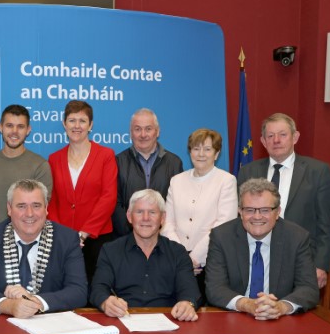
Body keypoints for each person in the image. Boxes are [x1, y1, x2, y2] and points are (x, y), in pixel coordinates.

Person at [237, 113, 330, 289]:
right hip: (257, 260)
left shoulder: (318, 171)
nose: (276, 140)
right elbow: (242, 217)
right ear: (263, 141)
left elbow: (326, 224)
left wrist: (321, 265)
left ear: (295, 137)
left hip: (302, 260)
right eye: (270, 136)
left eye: (282, 134)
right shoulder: (248, 172)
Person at [205, 178, 318, 319]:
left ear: (277, 212)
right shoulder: (222, 236)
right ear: (240, 211)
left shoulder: (297, 238)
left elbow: (308, 289)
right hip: (235, 316)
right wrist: (247, 304)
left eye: (265, 210)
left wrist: (281, 307)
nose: (257, 217)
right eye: (250, 210)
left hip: (279, 319)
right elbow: (214, 288)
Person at [0, 179, 88, 318]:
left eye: (36, 206)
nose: (29, 213)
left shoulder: (67, 239)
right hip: (3, 324)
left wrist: (34, 302)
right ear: (9, 209)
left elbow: (79, 292)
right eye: (21, 206)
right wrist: (8, 306)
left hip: (51, 323)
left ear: (46, 208)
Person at [91, 190, 199, 321]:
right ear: (130, 216)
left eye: (152, 212)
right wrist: (105, 301)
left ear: (163, 218)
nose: (146, 218)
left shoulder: (178, 252)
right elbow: (97, 288)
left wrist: (188, 303)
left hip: (170, 324)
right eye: (139, 212)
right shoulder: (110, 250)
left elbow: (190, 291)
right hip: (122, 322)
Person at [162, 128, 237, 297]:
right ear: (190, 152)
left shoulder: (226, 181)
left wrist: (195, 258)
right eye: (196, 148)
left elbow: (223, 224)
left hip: (209, 261)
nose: (201, 154)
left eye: (207, 149)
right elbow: (167, 222)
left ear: (216, 154)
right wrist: (181, 257)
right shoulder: (177, 180)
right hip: (177, 260)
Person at [47, 100, 117, 281]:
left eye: (82, 120)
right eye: (71, 120)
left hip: (97, 239)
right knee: (66, 290)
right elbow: (52, 201)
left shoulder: (106, 155)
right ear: (64, 124)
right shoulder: (54, 159)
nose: (76, 126)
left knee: (96, 293)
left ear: (91, 125)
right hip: (63, 240)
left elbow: (109, 197)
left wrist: (84, 232)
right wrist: (63, 234)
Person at [112, 108, 183, 236]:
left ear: (157, 131)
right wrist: (133, 233)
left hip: (164, 238)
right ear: (131, 133)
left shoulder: (174, 163)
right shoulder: (117, 162)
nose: (143, 134)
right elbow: (114, 204)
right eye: (137, 129)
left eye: (148, 129)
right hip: (127, 239)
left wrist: (163, 231)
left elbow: (177, 206)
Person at [0, 104, 53, 224]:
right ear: (0, 127)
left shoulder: (40, 166)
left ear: (28, 130)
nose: (14, 131)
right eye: (9, 126)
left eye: (20, 126)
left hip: (28, 238)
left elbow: (39, 209)